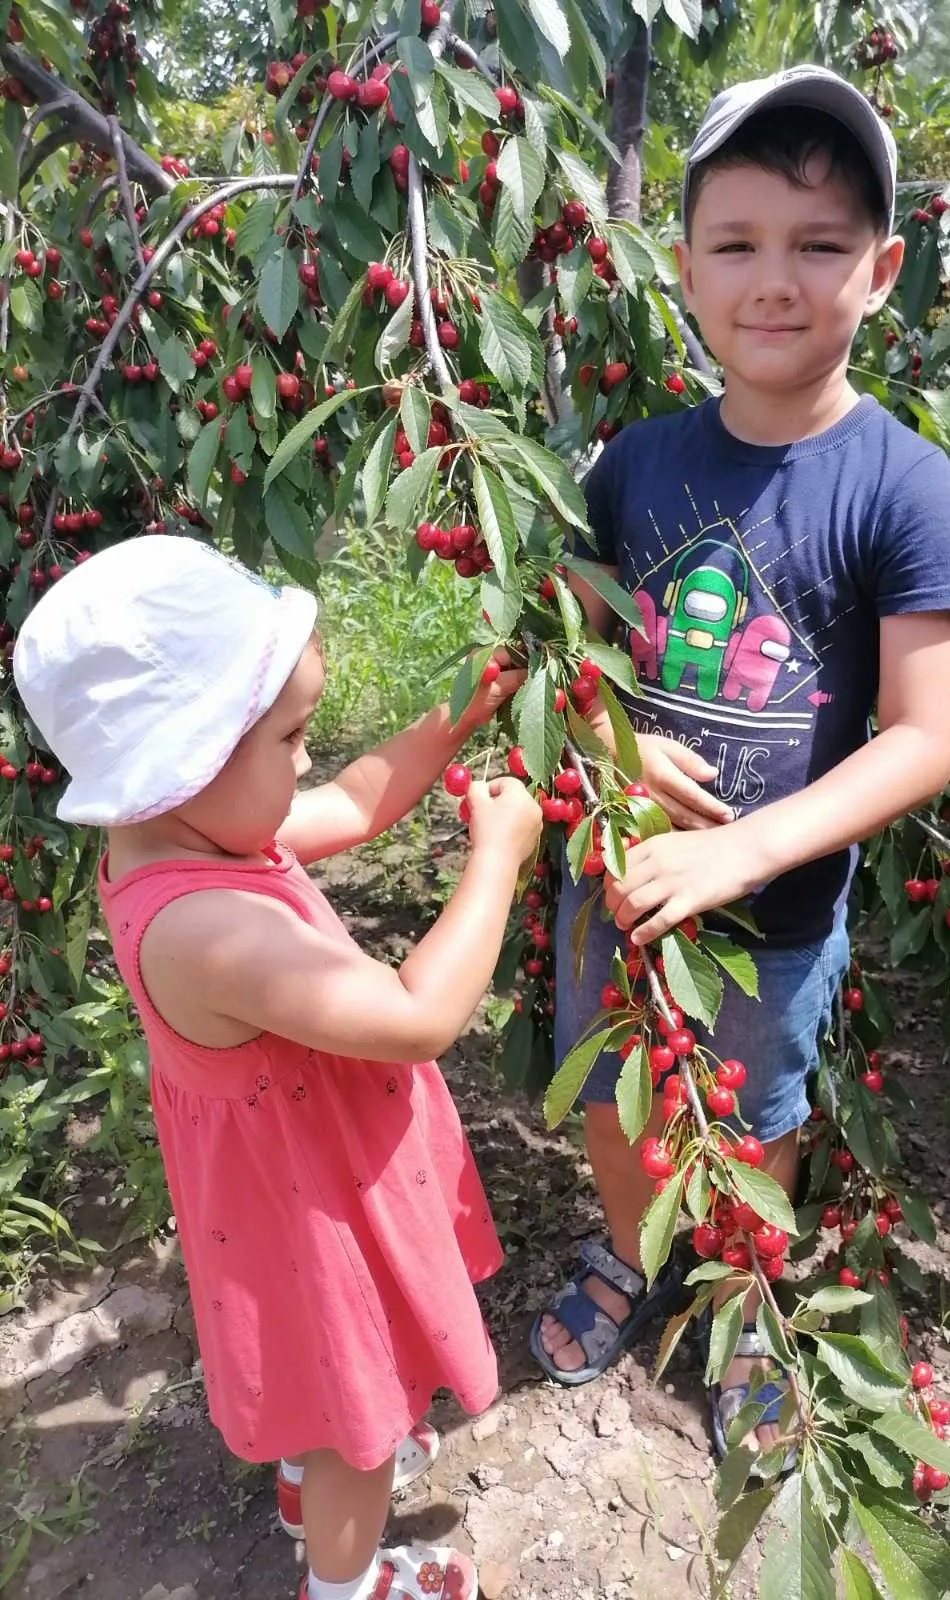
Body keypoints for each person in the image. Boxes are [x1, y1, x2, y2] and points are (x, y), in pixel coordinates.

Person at [530, 65, 950, 1464]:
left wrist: (748, 845)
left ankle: (741, 1297)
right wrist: (609, 739)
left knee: (754, 1115)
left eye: (820, 245)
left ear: (883, 269)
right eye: (735, 244)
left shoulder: (904, 486)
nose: (773, 282)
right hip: (611, 883)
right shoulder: (632, 466)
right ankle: (628, 1252)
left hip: (773, 920)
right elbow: (575, 660)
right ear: (682, 265)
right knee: (611, 1092)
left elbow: (923, 735)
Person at [14, 535, 542, 1600]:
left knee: (329, 1391)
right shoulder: (204, 925)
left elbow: (354, 800)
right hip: (312, 1218)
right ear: (188, 761)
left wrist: (462, 711)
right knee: (359, 1418)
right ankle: (344, 1580)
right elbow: (414, 1013)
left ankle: (309, 1473)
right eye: (291, 735)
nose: (309, 759)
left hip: (294, 1183)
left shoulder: (185, 832)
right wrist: (498, 855)